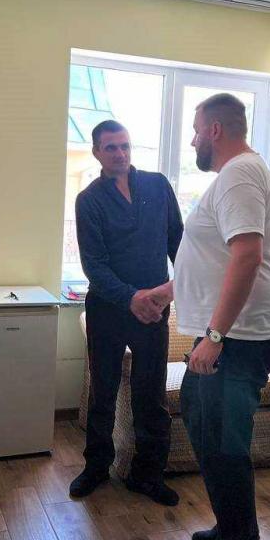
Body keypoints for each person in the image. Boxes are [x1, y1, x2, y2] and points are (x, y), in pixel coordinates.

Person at [148, 93, 270, 540]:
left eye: (195, 131)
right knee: (203, 420)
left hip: (240, 334)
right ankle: (232, 526)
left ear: (214, 129)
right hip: (235, 331)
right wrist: (167, 291)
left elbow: (247, 255)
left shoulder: (238, 175)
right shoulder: (238, 175)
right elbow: (212, 258)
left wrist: (214, 335)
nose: (191, 140)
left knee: (222, 442)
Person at [69, 120, 184, 506]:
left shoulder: (157, 185)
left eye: (125, 145)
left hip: (154, 309)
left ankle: (148, 474)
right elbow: (94, 265)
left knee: (151, 393)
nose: (120, 153)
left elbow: (179, 243)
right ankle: (96, 468)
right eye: (111, 147)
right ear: (97, 153)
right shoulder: (88, 200)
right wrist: (132, 297)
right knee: (102, 391)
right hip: (108, 309)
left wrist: (174, 289)